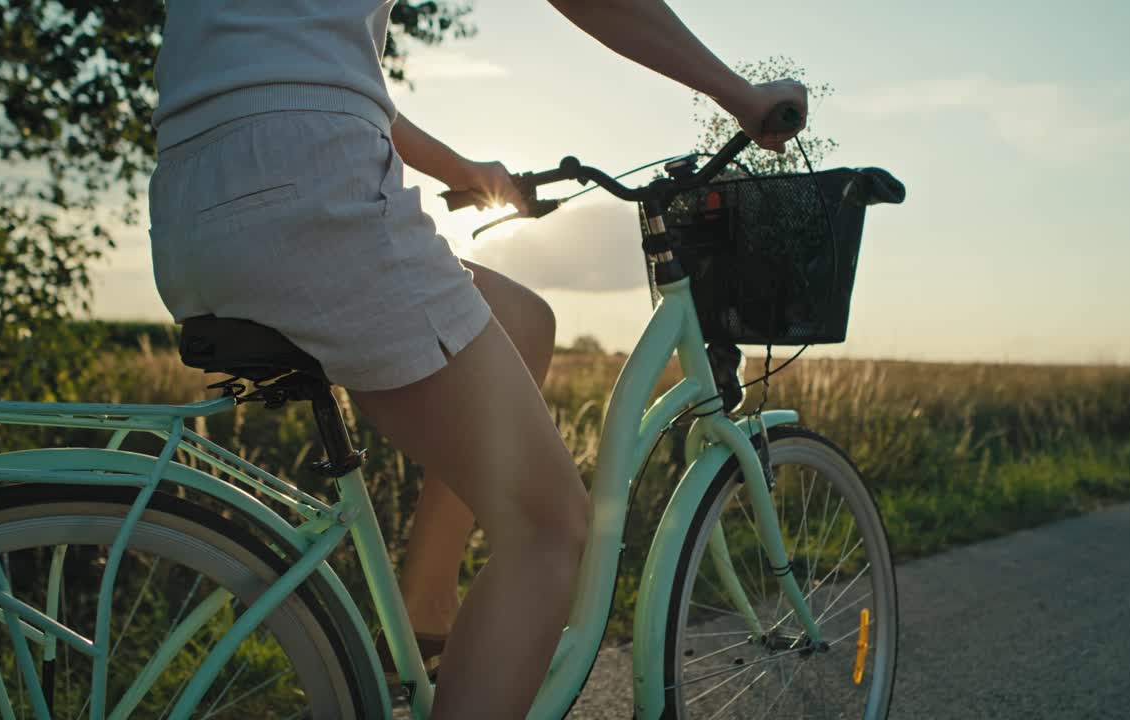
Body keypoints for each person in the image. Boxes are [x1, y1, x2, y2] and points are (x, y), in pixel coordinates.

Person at [147, 1, 806, 717]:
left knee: (522, 317)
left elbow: (290, 78)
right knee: (554, 531)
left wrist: (470, 170)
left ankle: (426, 613)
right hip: (311, 192)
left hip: (191, 208)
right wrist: (738, 94)